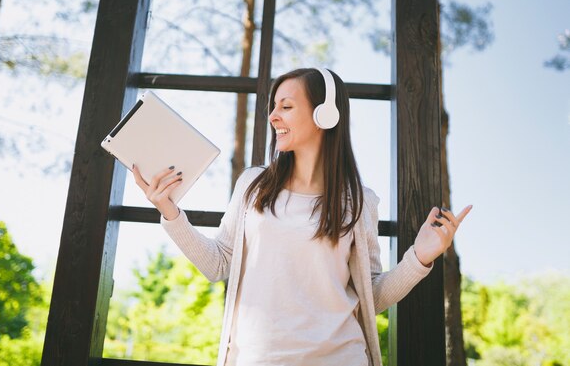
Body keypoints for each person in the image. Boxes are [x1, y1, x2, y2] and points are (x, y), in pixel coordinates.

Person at [132, 67, 472, 366]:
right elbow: (218, 263)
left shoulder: (358, 202)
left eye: (287, 106)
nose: (273, 116)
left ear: (325, 115)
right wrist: (170, 212)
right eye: (273, 107)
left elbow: (372, 296)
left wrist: (420, 258)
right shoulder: (253, 185)